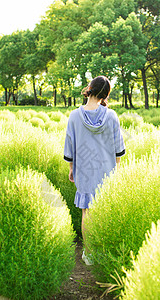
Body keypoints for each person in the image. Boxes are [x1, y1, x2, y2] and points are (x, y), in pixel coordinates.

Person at [63, 75, 125, 265]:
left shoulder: (74, 116)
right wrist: (117, 170)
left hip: (85, 172)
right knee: (105, 213)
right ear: (105, 95)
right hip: (107, 172)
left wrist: (72, 168)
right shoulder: (112, 116)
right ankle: (103, 253)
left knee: (86, 214)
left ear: (89, 88)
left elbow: (69, 145)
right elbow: (118, 148)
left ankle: (89, 255)